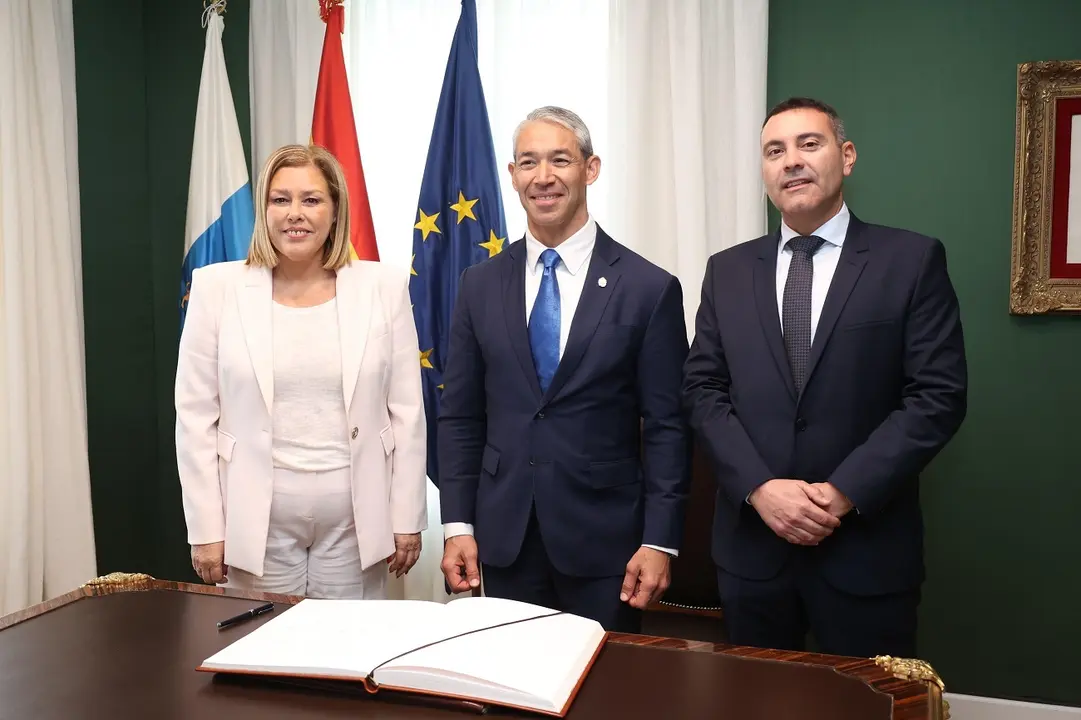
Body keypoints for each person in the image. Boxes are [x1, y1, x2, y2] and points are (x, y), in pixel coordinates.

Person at [682, 97, 967, 657]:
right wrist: (760, 490)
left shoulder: (910, 261)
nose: (791, 161)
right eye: (775, 151)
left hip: (866, 551)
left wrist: (841, 493)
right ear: (765, 172)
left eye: (808, 144)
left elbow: (937, 396)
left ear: (847, 155)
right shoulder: (728, 270)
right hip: (752, 555)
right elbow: (702, 390)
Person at [437, 106, 691, 632]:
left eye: (560, 160)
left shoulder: (648, 289)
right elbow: (460, 418)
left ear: (590, 169)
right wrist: (457, 525)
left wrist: (659, 539)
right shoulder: (478, 285)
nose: (543, 177)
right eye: (528, 162)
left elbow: (669, 427)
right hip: (503, 539)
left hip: (608, 548)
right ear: (512, 176)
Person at [175, 144, 428, 599]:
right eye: (280, 199)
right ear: (264, 209)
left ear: (335, 210)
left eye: (311, 200)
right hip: (255, 520)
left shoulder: (383, 287)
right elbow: (194, 418)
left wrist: (406, 517)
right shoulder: (216, 287)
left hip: (356, 519)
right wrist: (205, 528)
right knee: (262, 655)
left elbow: (407, 411)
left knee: (346, 655)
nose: (295, 214)